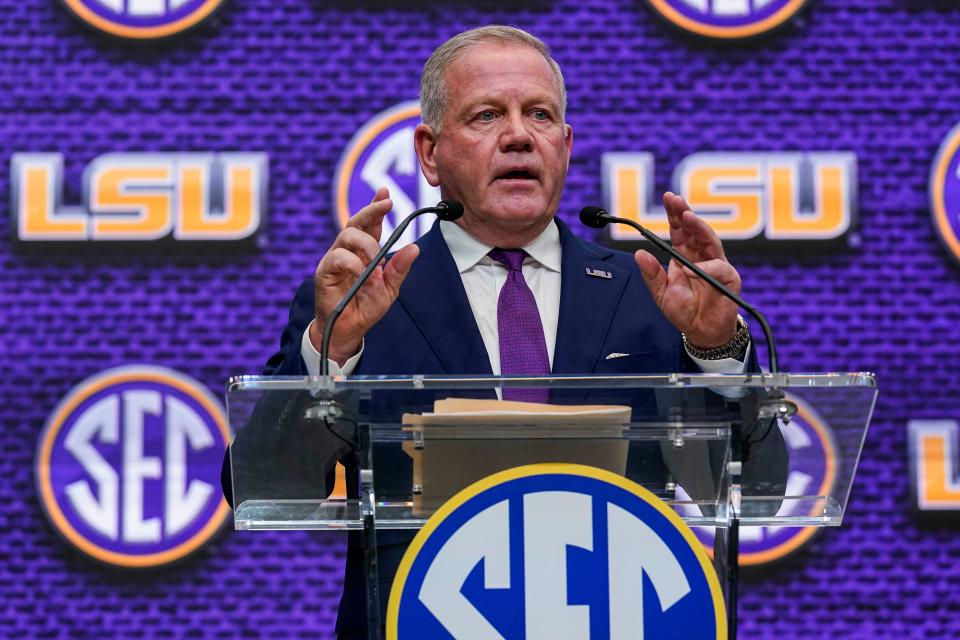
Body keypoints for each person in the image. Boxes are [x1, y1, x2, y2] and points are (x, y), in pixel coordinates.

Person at [234, 26, 781, 638]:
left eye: (540, 115)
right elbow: (268, 486)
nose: (519, 135)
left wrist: (714, 349)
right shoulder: (362, 300)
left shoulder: (654, 291)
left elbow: (759, 487)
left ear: (565, 146)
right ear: (429, 154)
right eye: (487, 114)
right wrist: (332, 350)